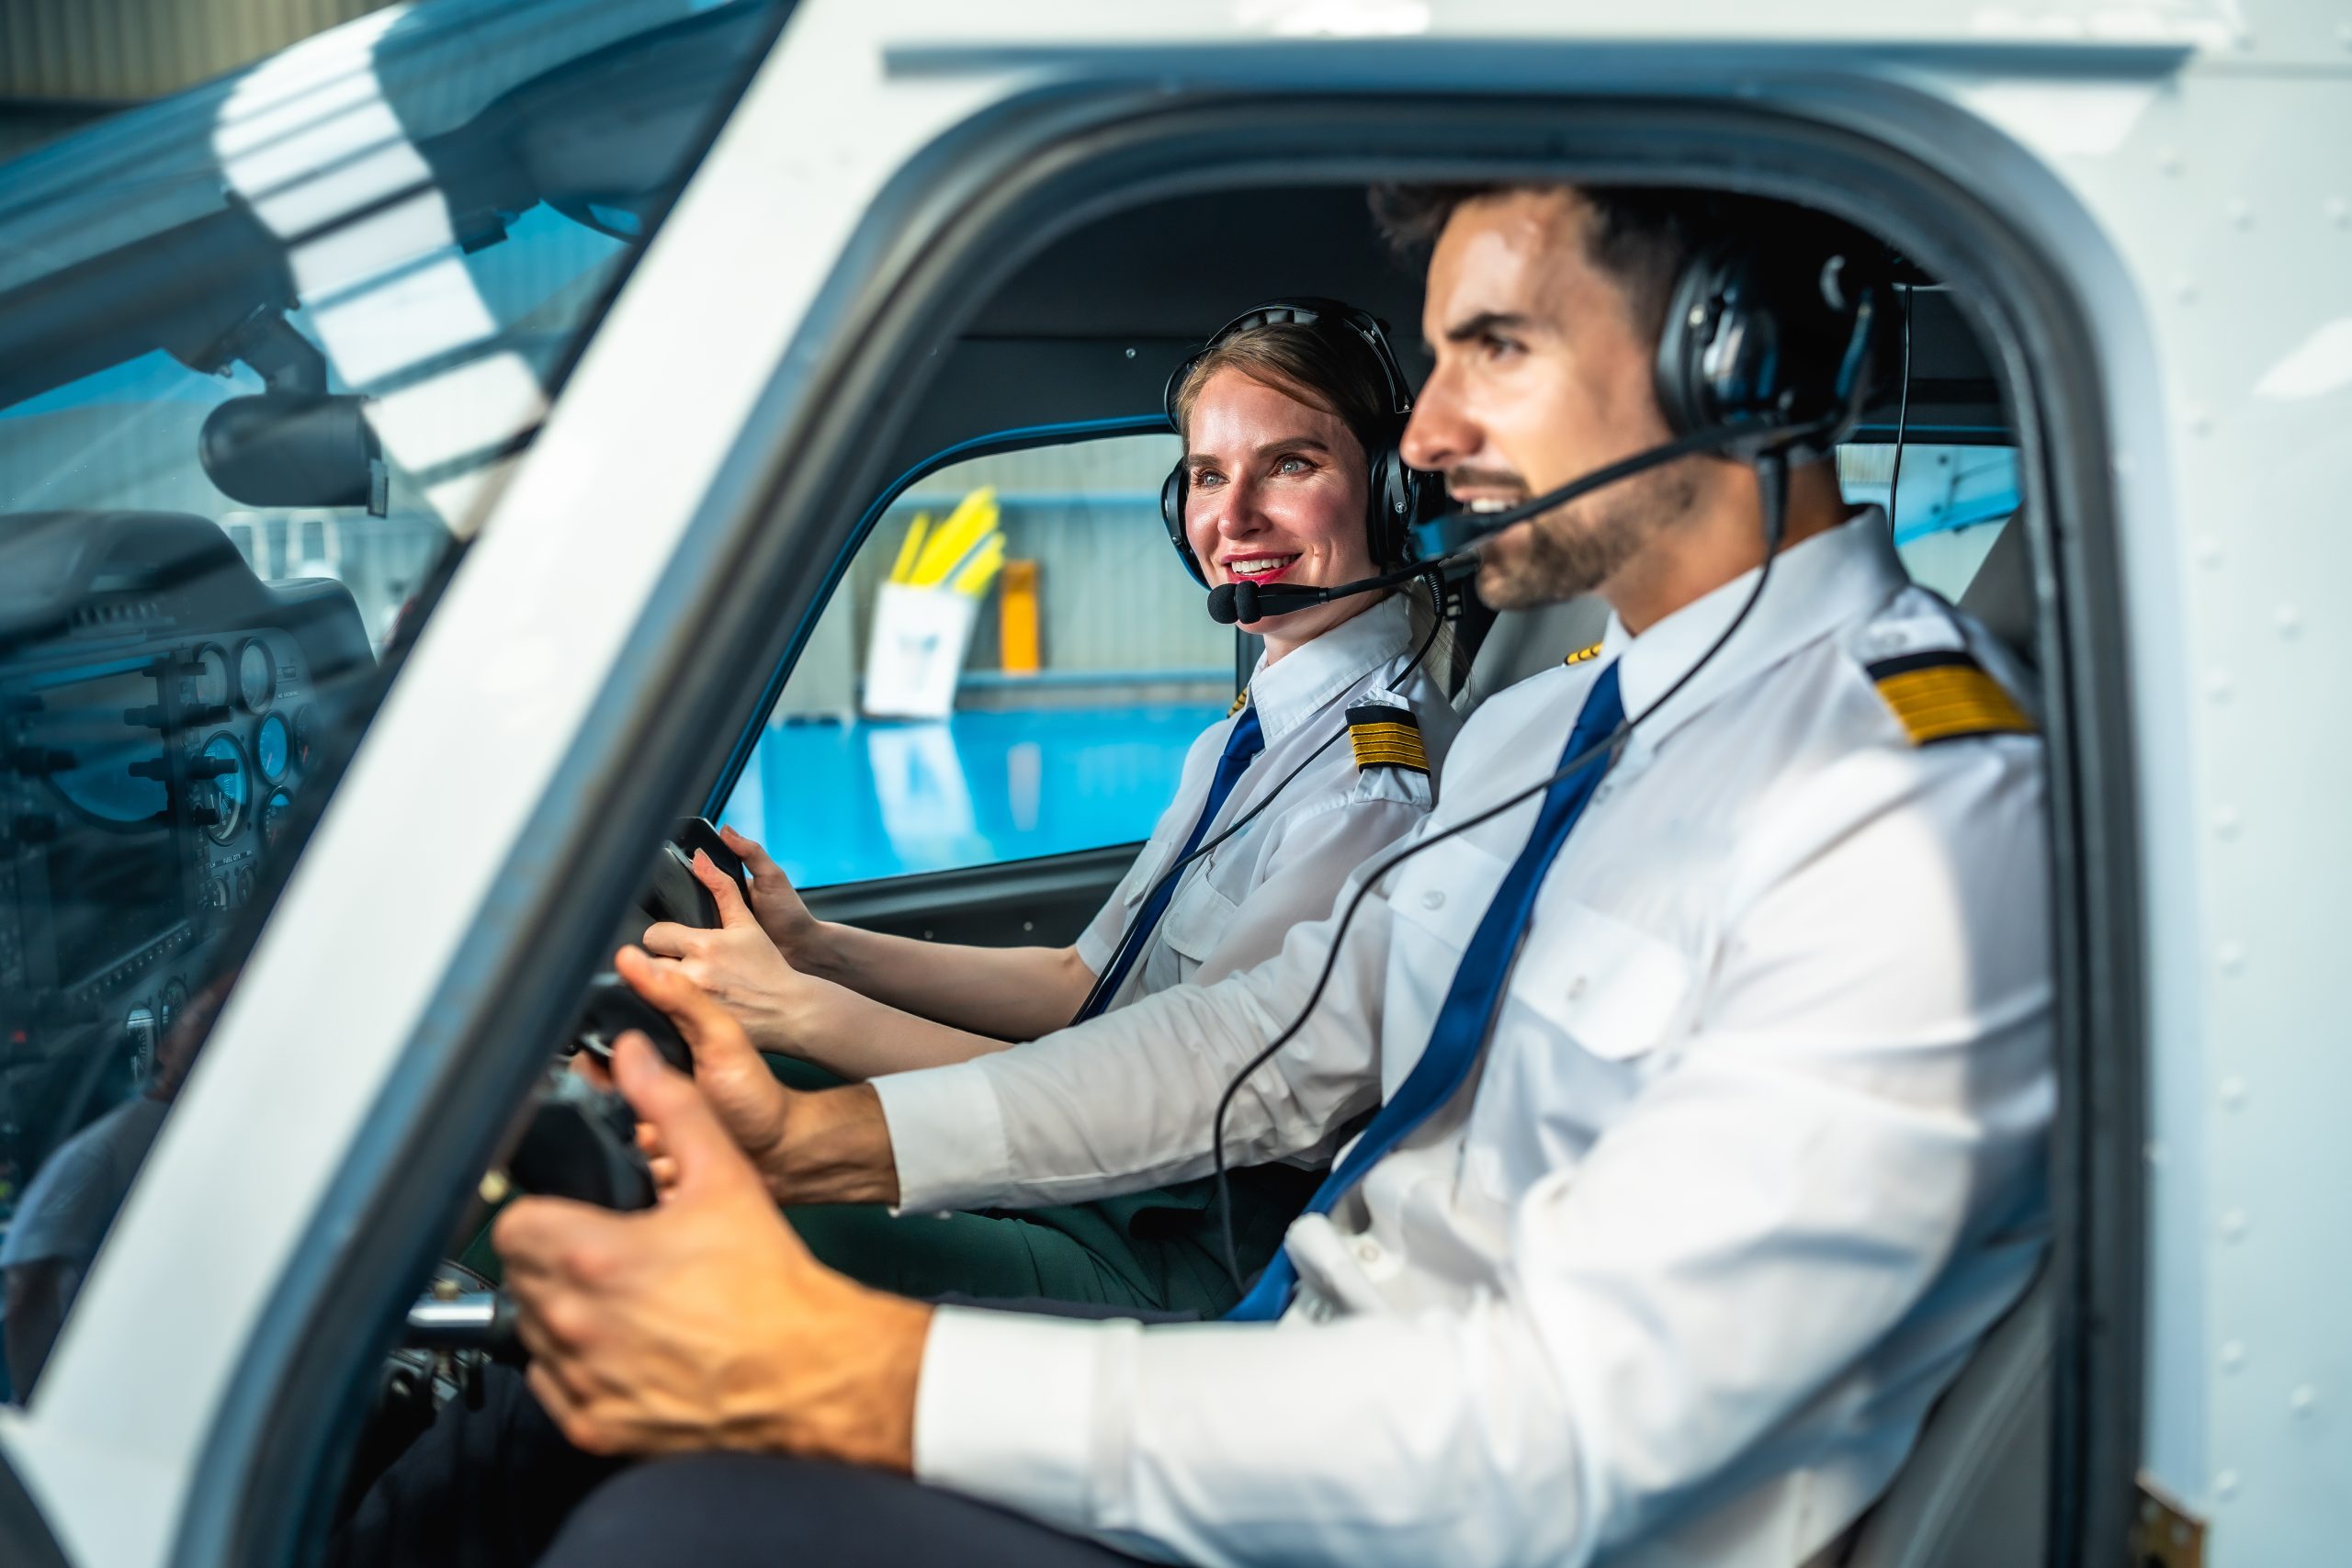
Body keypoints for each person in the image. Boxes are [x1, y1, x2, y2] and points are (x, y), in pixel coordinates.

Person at [345, 182, 2052, 1568]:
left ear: (1736, 359)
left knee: (674, 1522)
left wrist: (866, 1372)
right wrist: (831, 1138)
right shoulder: (1546, 737)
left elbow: (1563, 1436)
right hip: (1295, 1376)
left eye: (1499, 351)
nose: (1436, 435)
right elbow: (1261, 1038)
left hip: (1449, 1507)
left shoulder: (1907, 818)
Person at [639, 301, 1461, 1313]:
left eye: (1291, 465)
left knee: (671, 1215)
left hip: (1181, 1247)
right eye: (1208, 475)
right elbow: (1083, 985)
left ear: (1388, 491)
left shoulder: (1366, 784)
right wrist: (815, 950)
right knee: (677, 1105)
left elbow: (1186, 1114)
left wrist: (809, 1016)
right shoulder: (1248, 738)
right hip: (1109, 1187)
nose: (1232, 517)